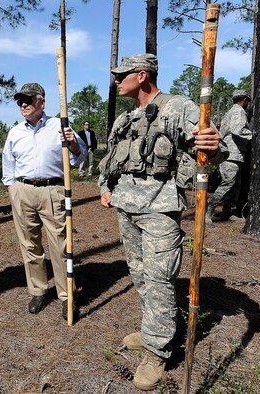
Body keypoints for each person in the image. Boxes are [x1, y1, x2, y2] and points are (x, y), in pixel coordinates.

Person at [98, 54, 227, 391]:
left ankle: (157, 350)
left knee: (159, 280)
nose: (117, 81)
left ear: (142, 75)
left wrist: (212, 147)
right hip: (126, 207)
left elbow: (212, 147)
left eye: (122, 75)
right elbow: (111, 158)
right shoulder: (126, 118)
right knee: (140, 275)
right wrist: (105, 188)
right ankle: (153, 329)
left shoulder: (178, 107)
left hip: (159, 210)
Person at [1, 82, 86, 320]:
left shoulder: (60, 125)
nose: (23, 104)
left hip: (52, 191)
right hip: (23, 190)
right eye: (20, 101)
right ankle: (38, 290)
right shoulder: (15, 132)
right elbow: (8, 165)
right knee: (30, 245)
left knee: (60, 244)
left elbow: (79, 158)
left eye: (28, 100)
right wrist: (13, 190)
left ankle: (67, 295)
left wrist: (73, 143)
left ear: (42, 101)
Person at [206, 89, 252, 223]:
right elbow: (237, 129)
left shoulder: (231, 111)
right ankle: (208, 210)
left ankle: (227, 212)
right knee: (228, 183)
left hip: (233, 155)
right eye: (247, 102)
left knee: (235, 185)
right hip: (231, 154)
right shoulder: (238, 111)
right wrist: (253, 136)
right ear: (244, 100)